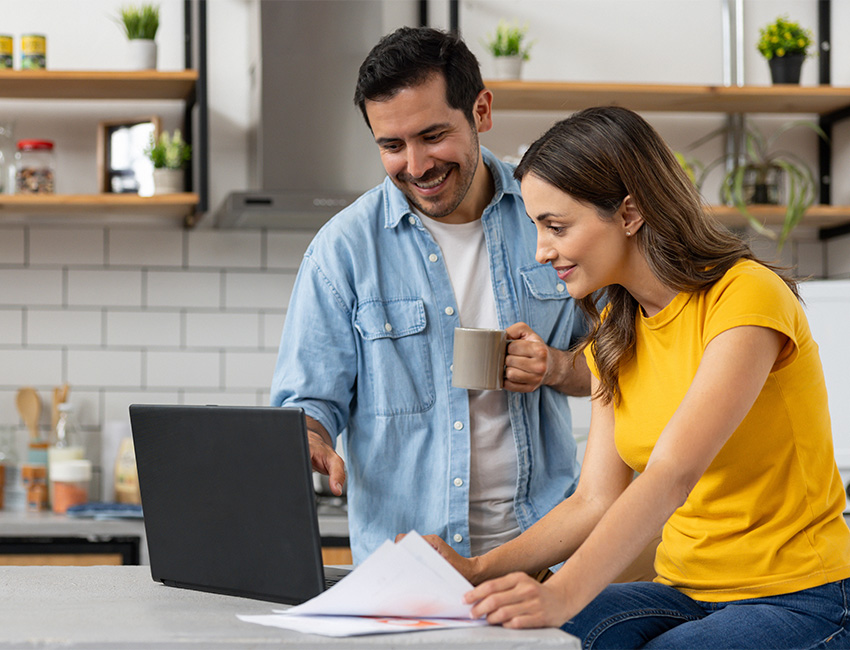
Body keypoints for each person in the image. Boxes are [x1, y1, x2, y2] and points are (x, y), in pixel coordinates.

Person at [423, 106, 850, 649]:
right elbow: (593, 502)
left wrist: (561, 594)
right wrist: (477, 568)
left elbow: (673, 474)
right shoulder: (614, 327)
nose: (542, 250)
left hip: (799, 596)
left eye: (556, 226)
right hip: (683, 590)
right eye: (537, 226)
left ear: (629, 213)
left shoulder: (744, 297)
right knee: (527, 640)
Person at [269, 26, 592, 564]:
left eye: (433, 136)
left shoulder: (553, 218)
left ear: (481, 111)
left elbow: (625, 363)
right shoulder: (342, 251)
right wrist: (307, 437)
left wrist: (558, 367)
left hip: (545, 561)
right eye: (392, 146)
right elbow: (307, 404)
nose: (416, 166)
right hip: (407, 569)